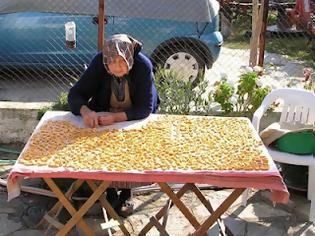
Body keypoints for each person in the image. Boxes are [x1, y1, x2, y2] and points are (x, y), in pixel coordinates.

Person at [68, 34, 160, 217]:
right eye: (113, 61)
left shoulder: (142, 66)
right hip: (105, 113)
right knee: (102, 150)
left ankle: (126, 193)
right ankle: (108, 191)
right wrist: (86, 112)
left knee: (131, 151)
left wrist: (116, 118)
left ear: (130, 58)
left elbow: (145, 108)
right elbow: (75, 95)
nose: (117, 66)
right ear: (106, 61)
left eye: (122, 61)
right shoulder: (99, 63)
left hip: (134, 116)